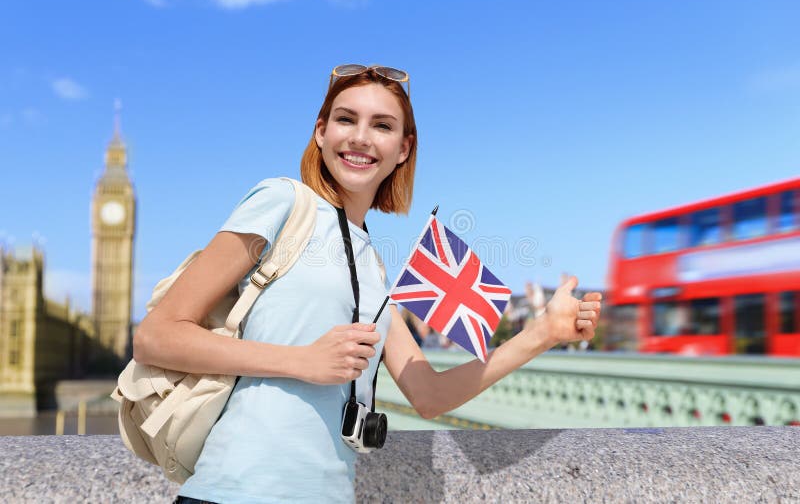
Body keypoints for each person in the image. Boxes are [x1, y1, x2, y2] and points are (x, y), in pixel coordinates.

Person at [132, 64, 602, 504]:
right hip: (233, 493)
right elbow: (156, 335)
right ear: (321, 132)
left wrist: (543, 334)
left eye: (382, 125)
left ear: (403, 149)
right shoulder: (282, 203)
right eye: (345, 119)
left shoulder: (373, 267)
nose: (360, 138)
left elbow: (429, 396)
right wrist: (303, 361)